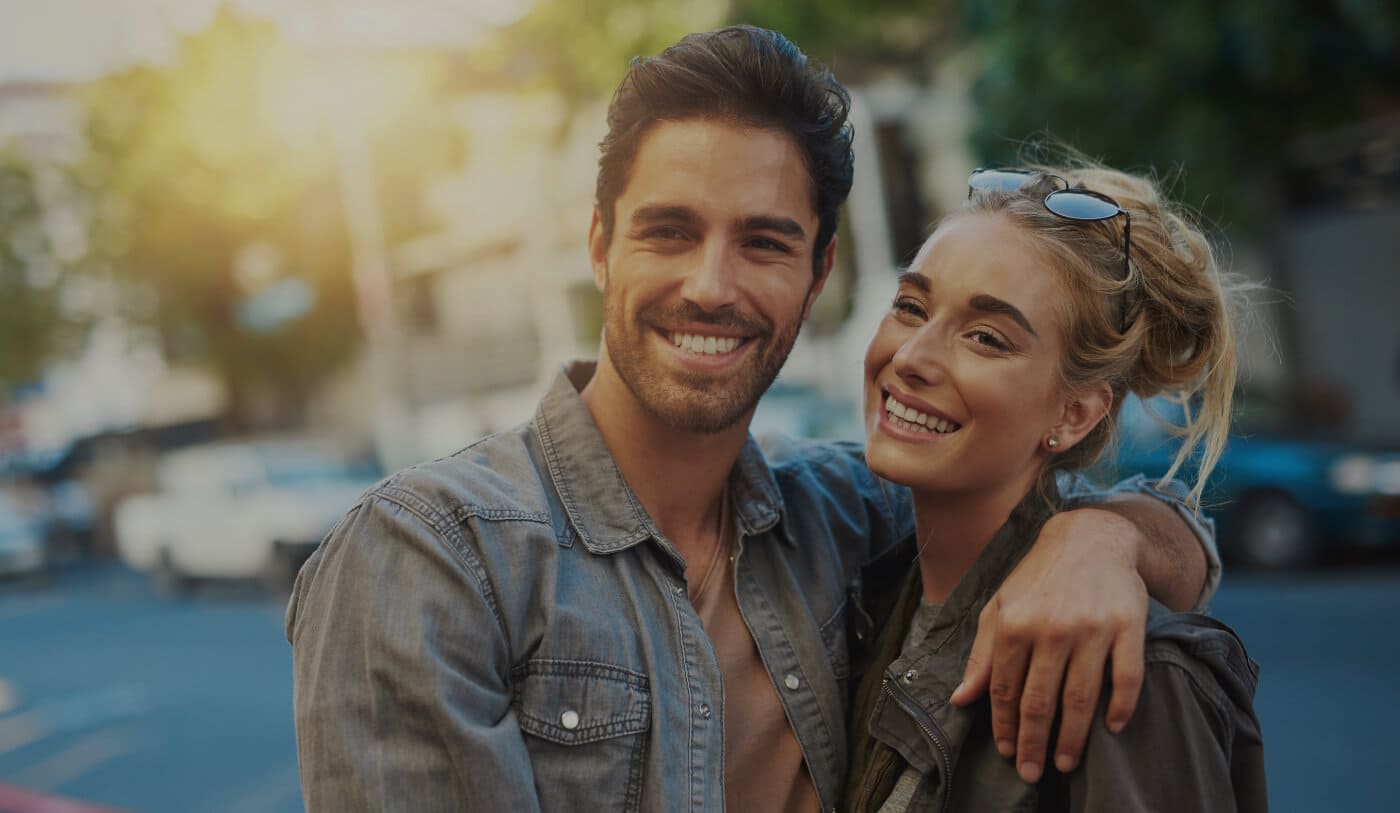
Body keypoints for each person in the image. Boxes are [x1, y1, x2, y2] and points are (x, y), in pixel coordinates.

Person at [286, 28, 1218, 812]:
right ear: (601, 247)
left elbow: (1098, 523)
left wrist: (1104, 536)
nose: (711, 286)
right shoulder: (432, 555)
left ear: (818, 276)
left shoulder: (847, 517)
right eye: (670, 232)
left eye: (764, 242)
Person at [843, 164, 1267, 811]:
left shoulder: (1120, 666)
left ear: (1073, 414)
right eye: (911, 307)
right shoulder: (860, 591)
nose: (912, 357)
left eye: (986, 338)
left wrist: (1109, 533)